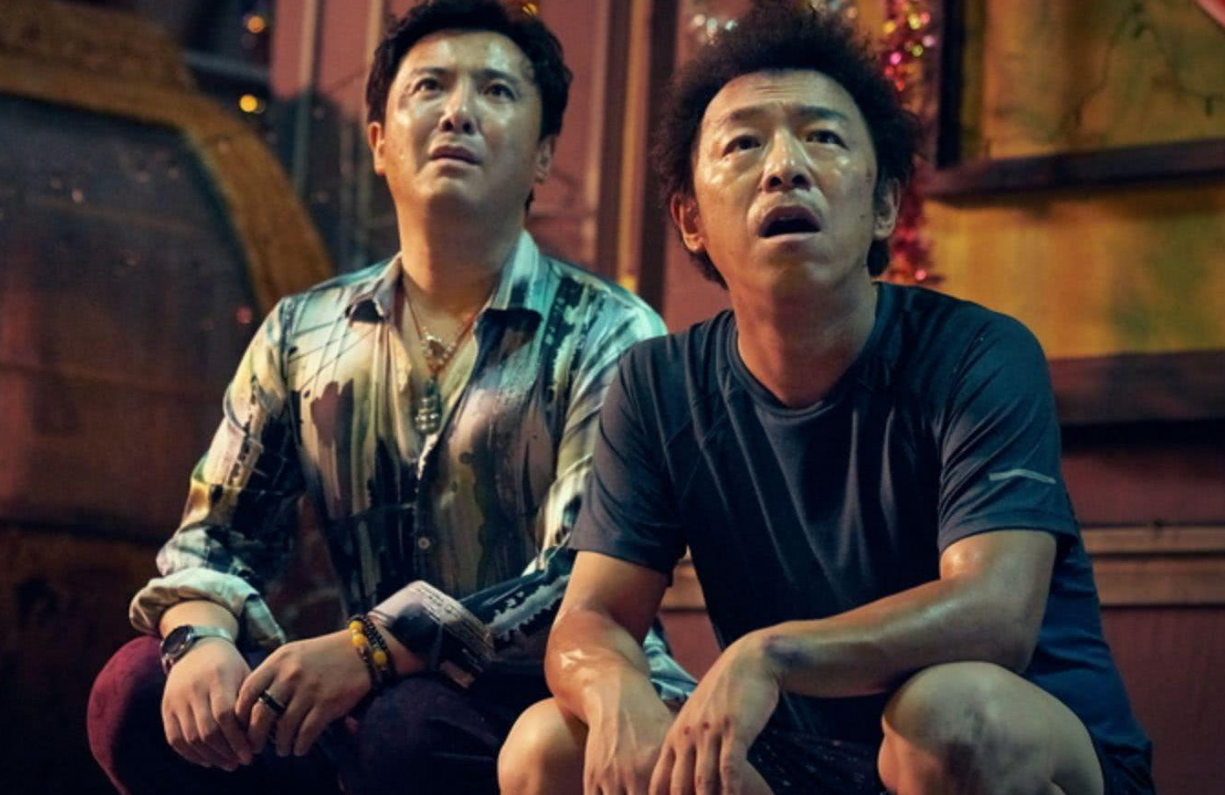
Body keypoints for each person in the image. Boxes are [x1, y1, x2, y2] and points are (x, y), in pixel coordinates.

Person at [500, 4, 1154, 795]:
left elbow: (996, 610)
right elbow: (593, 617)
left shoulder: (980, 352)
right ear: (690, 219)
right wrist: (616, 695)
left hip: (1024, 744)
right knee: (547, 745)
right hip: (812, 762)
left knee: (942, 717)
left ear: (883, 206)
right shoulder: (656, 385)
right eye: (743, 144)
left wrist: (771, 654)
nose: (784, 166)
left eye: (824, 137)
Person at [86, 2, 691, 793]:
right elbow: (214, 540)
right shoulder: (304, 332)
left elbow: (578, 583)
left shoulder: (610, 331)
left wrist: (375, 644)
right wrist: (200, 637)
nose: (457, 112)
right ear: (378, 141)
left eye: (496, 92)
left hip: (544, 703)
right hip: (369, 702)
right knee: (138, 690)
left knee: (409, 729)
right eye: (429, 87)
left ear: (543, 156)